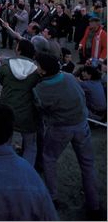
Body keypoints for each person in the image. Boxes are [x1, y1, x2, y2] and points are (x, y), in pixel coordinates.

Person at [34, 52, 100, 217]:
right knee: (87, 164)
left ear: (43, 71)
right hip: (81, 124)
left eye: (38, 65)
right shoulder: (69, 77)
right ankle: (94, 205)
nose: (36, 67)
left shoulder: (41, 88)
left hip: (60, 128)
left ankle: (52, 196)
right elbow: (82, 95)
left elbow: (40, 108)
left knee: (49, 159)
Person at [0, 39, 40, 165]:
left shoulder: (6, 65)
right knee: (30, 145)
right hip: (28, 112)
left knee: (5, 141)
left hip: (7, 109)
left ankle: (5, 166)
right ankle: (27, 173)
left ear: (18, 50)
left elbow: (1, 80)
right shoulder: (37, 70)